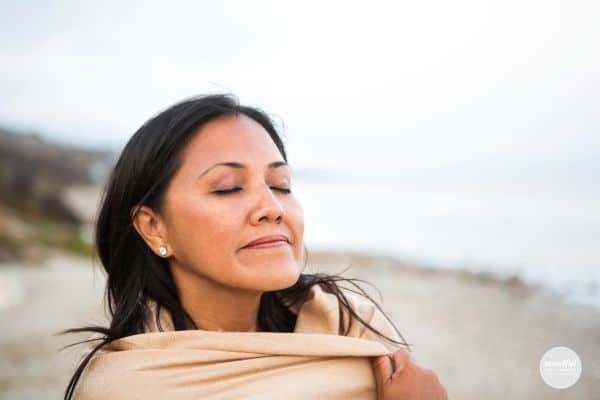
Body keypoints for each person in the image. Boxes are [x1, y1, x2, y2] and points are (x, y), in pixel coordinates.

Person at [59, 94, 447, 400]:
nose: (272, 208)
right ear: (153, 227)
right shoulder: (128, 387)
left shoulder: (356, 328)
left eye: (281, 185)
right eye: (228, 187)